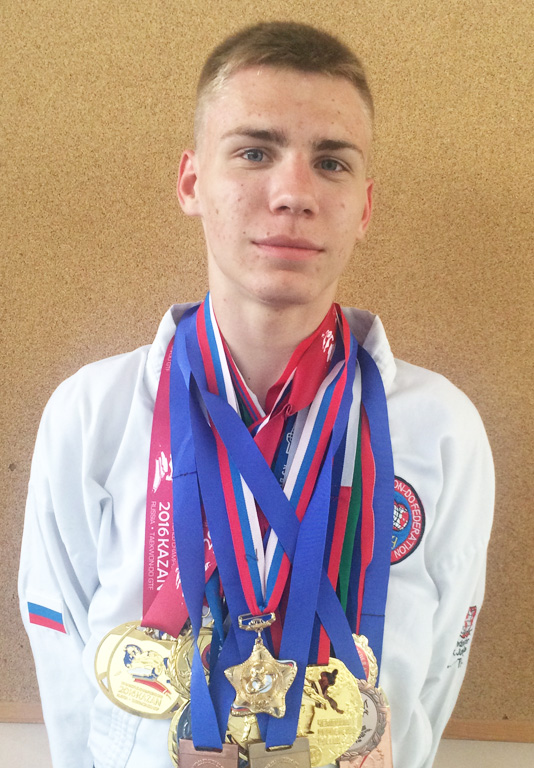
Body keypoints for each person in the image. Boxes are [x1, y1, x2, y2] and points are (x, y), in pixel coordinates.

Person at [19, 21, 494, 768]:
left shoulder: (441, 431)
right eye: (254, 152)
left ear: (364, 207)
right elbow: (66, 668)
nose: (294, 192)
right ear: (191, 182)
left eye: (331, 162)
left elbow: (434, 677)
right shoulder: (91, 415)